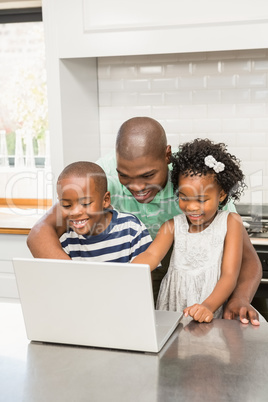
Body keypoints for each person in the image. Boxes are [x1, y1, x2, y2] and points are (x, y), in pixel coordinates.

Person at [27, 117, 262, 325]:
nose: (137, 187)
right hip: (136, 275)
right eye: (125, 176)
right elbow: (40, 233)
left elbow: (249, 261)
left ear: (167, 156)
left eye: (148, 176)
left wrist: (240, 298)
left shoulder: (195, 177)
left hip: (199, 282)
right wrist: (76, 279)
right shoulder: (104, 175)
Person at [132, 138, 247, 323]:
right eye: (184, 197)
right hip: (174, 310)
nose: (192, 207)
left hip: (212, 307)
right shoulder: (171, 226)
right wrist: (129, 270)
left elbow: (229, 275)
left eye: (201, 200)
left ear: (222, 195)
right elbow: (151, 255)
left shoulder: (231, 222)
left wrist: (208, 306)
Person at [56, 161, 155, 262]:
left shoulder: (132, 229)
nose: (75, 212)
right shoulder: (66, 239)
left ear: (105, 200)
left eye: (85, 203)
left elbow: (145, 274)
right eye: (66, 205)